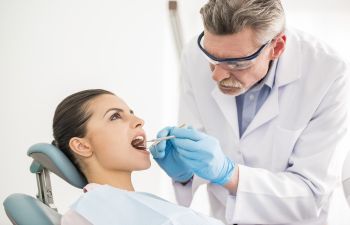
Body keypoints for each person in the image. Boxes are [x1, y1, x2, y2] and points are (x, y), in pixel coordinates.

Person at [150, 0, 349, 224]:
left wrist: (230, 174)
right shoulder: (193, 55)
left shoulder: (327, 73)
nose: (216, 76)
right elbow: (201, 151)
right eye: (211, 59)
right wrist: (185, 172)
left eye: (235, 64)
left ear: (276, 47)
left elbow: (311, 195)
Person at [52, 89, 224, 225]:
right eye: (115, 116)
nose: (139, 120)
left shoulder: (125, 204)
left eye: (132, 112)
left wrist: (185, 179)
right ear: (82, 146)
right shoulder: (95, 209)